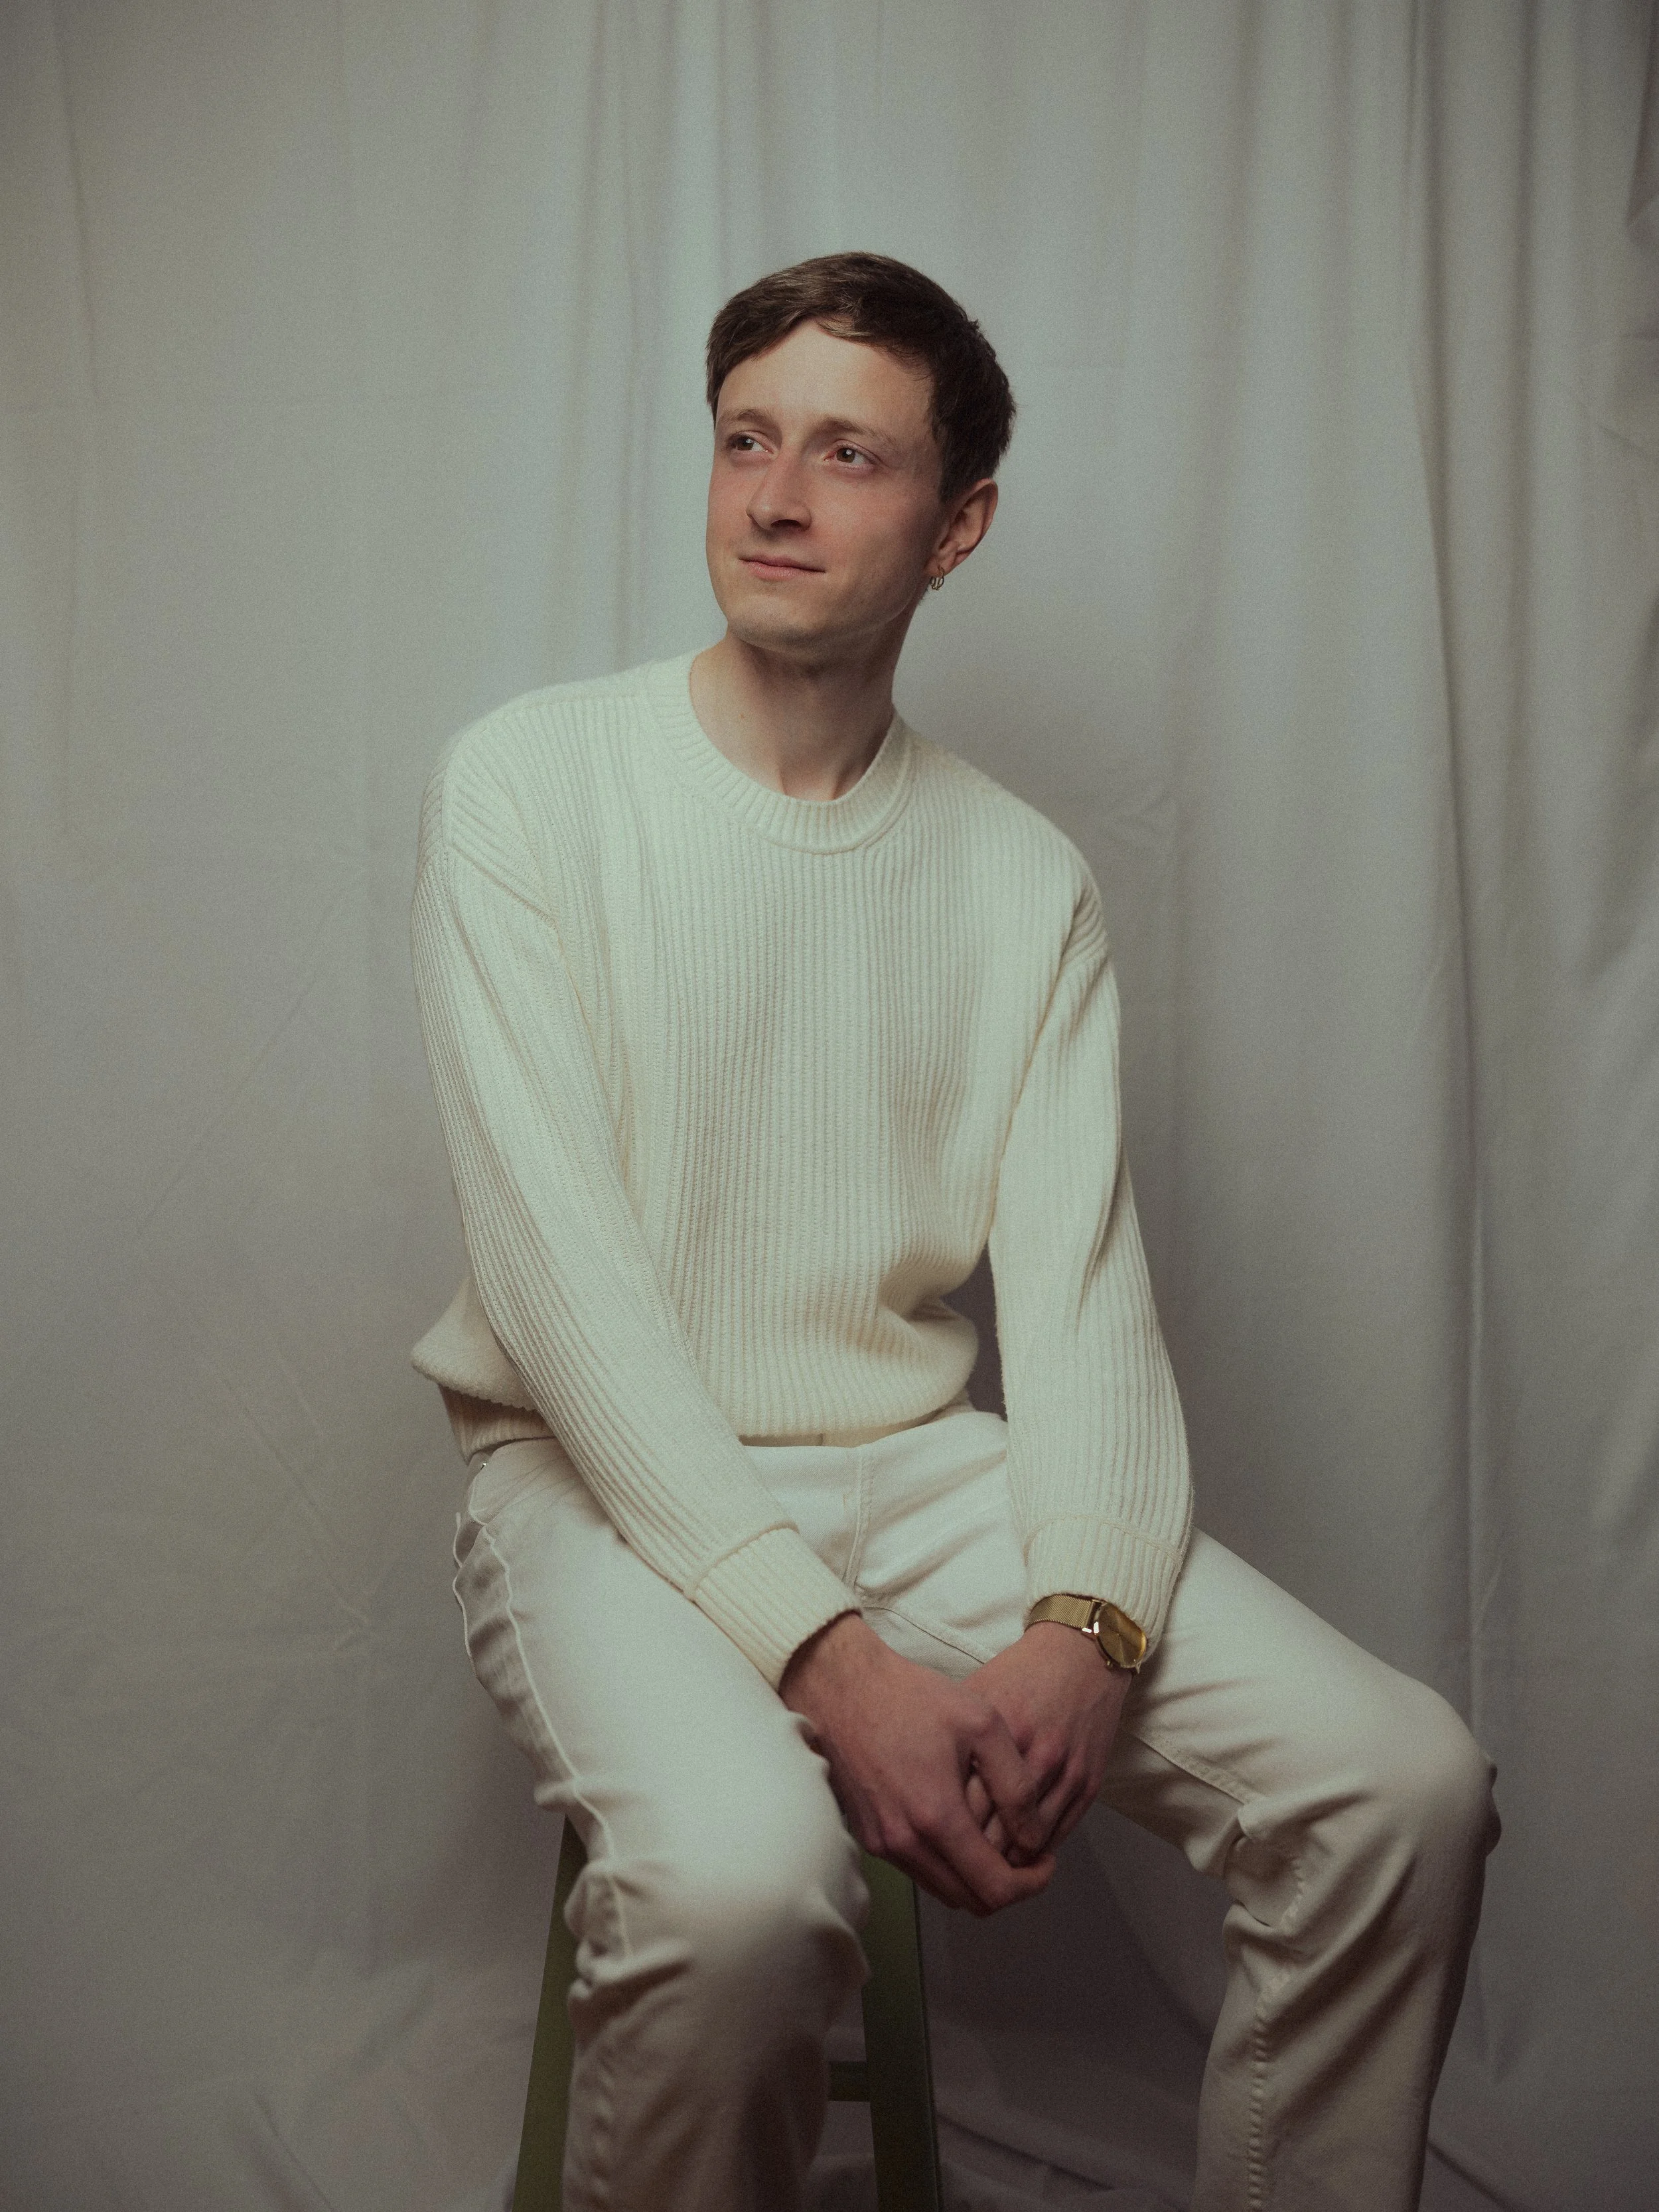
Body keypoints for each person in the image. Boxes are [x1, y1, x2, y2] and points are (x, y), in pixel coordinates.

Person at [408, 251, 1498, 2212]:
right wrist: (832, 1665)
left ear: (957, 520)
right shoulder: (529, 787)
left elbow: (1078, 1300)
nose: (774, 496)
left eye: (848, 453)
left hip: (916, 1471)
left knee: (1396, 1789)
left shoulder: (1020, 877)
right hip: (592, 1479)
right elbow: (564, 1291)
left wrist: (1086, 1620)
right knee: (742, 1894)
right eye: (746, 439)